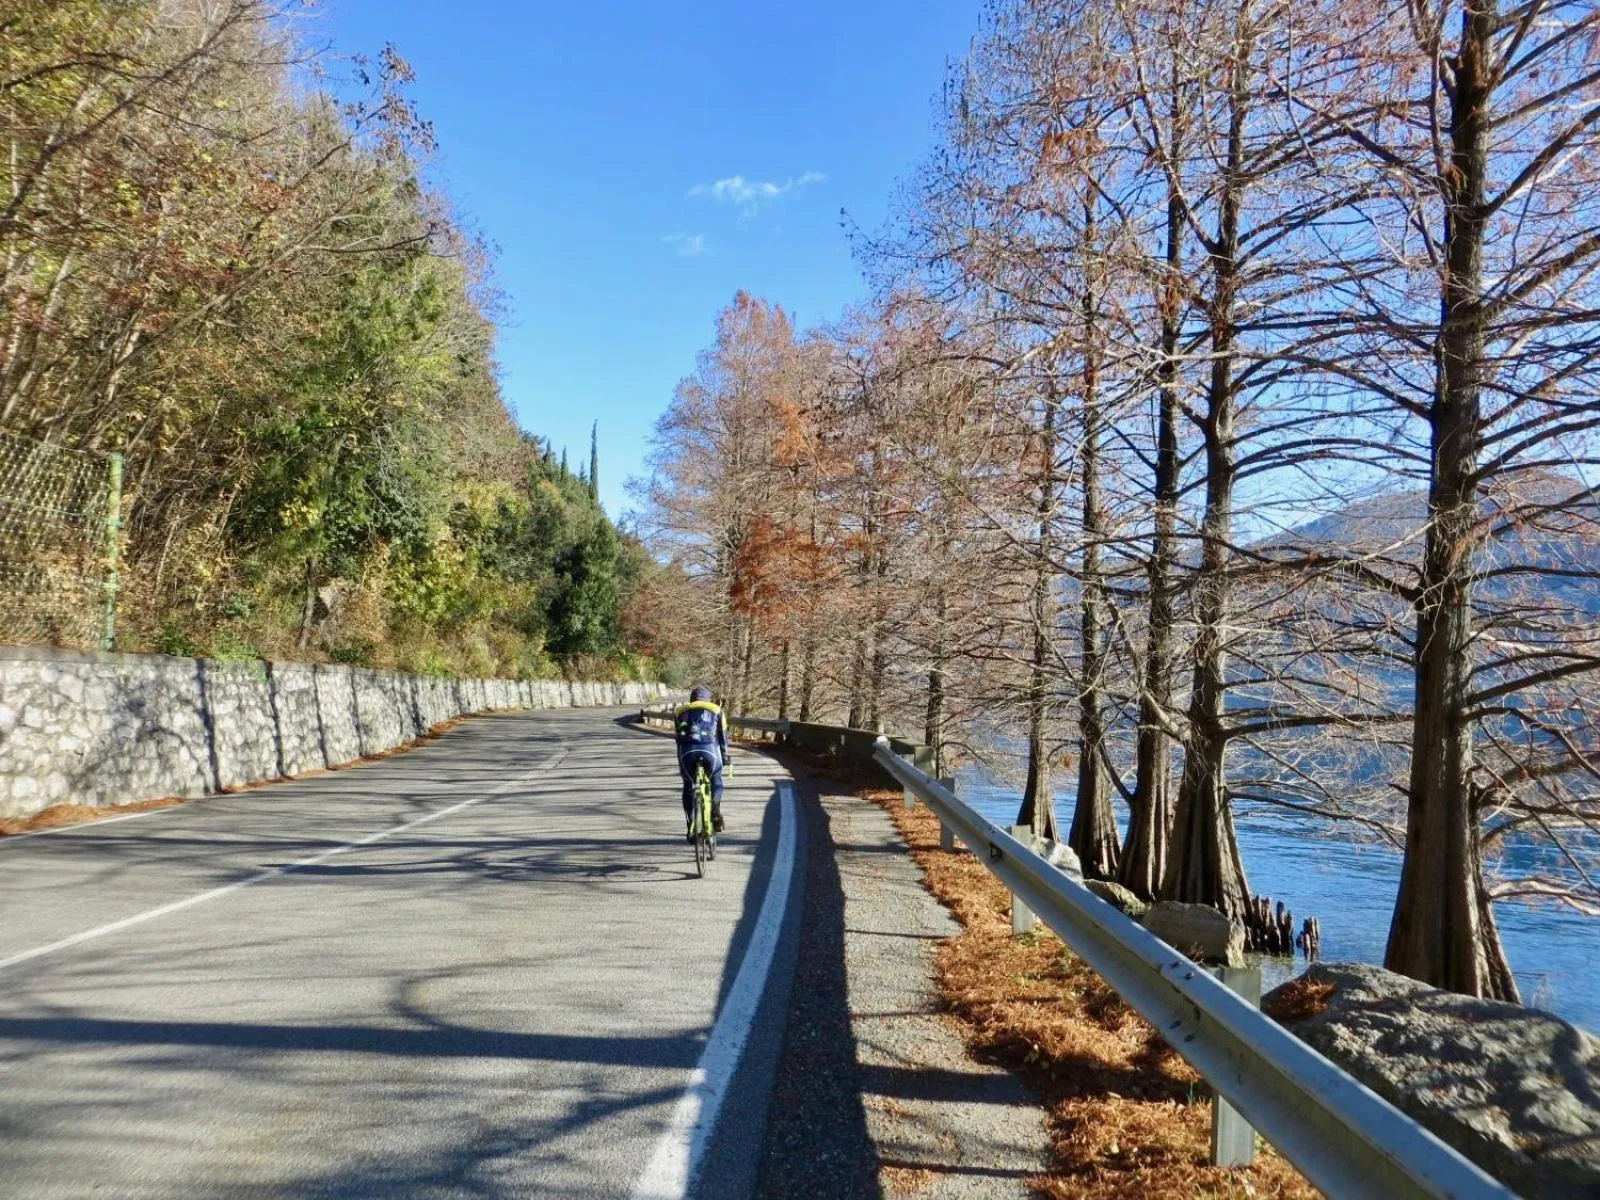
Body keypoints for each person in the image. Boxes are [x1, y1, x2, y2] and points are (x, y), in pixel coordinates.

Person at [674, 684, 728, 839]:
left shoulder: (680, 711)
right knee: (716, 781)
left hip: (687, 753)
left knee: (687, 785)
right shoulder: (716, 710)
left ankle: (690, 823)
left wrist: (681, 763)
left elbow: (678, 739)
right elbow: (723, 738)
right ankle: (715, 810)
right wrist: (725, 756)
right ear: (708, 699)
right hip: (710, 751)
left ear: (692, 699)